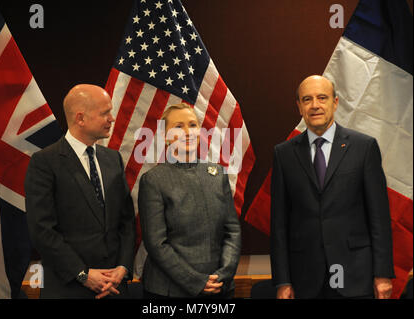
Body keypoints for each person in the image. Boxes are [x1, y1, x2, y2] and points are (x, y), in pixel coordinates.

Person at [270, 75, 395, 299]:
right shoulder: (283, 154)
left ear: (335, 102)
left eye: (322, 98)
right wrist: (282, 280)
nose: (315, 105)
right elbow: (279, 225)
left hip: (355, 274)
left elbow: (380, 218)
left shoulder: (364, 148)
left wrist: (383, 274)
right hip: (305, 279)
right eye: (307, 99)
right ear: (299, 107)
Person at [25, 84, 136, 298]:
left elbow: (127, 221)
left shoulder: (113, 159)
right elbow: (42, 230)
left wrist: (123, 266)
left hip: (114, 287)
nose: (112, 119)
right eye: (105, 113)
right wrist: (82, 274)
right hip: (68, 288)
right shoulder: (44, 163)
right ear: (80, 118)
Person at [138, 103, 241, 298]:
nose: (187, 132)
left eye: (193, 125)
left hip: (219, 287)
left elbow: (232, 231)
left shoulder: (218, 174)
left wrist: (224, 274)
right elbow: (156, 244)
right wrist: (196, 282)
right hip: (170, 291)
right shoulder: (153, 180)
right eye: (178, 127)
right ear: (165, 136)